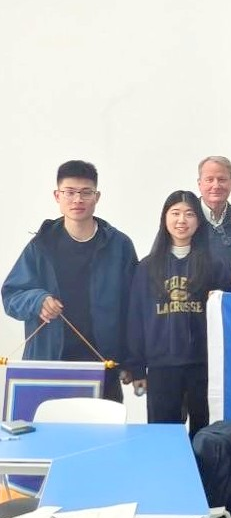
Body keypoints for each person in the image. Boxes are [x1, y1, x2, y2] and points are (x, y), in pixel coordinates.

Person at [2, 160, 137, 402]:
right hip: (49, 363)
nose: (77, 199)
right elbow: (11, 296)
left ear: (97, 197)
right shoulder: (41, 245)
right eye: (70, 192)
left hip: (102, 364)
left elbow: (134, 308)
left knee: (104, 426)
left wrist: (132, 361)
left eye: (86, 192)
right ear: (57, 196)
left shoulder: (119, 246)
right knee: (47, 426)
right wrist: (38, 300)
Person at [126, 191, 231, 437]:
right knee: (162, 438)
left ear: (199, 221)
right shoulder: (147, 267)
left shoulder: (214, 266)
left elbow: (228, 315)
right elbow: (136, 319)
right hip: (161, 367)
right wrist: (137, 367)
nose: (182, 220)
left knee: (206, 436)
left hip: (204, 367)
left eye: (189, 214)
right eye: (175, 213)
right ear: (165, 218)